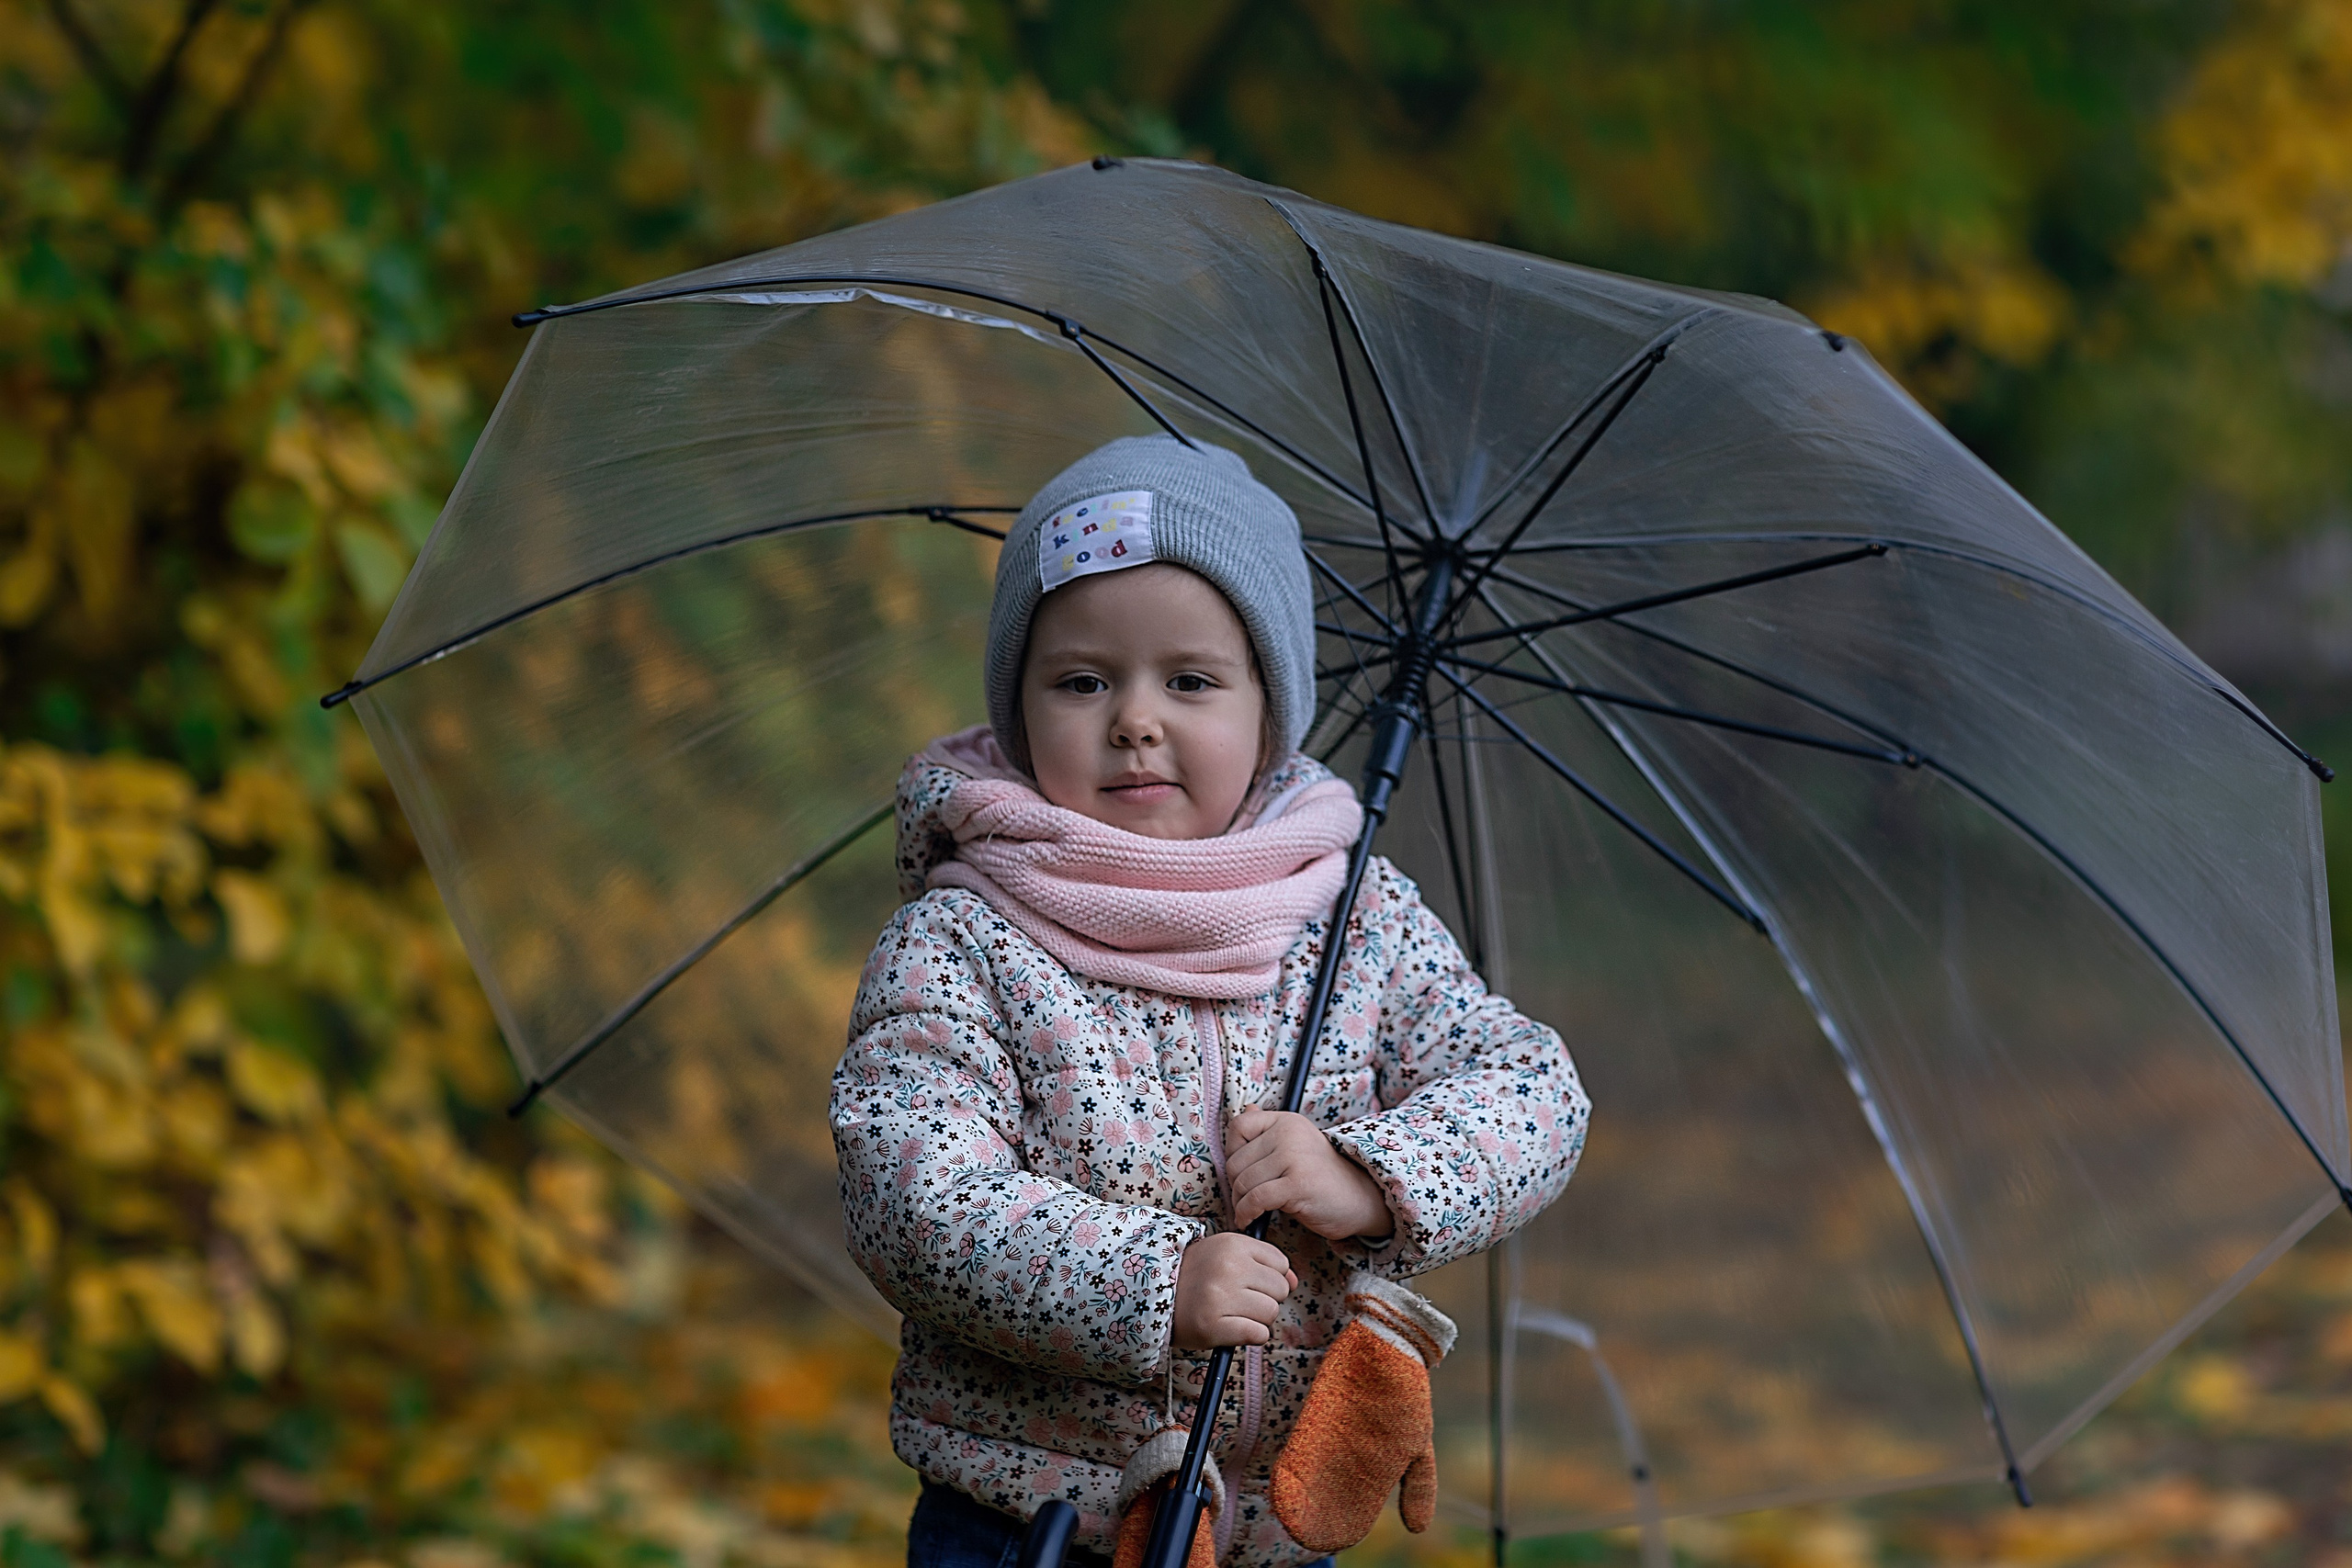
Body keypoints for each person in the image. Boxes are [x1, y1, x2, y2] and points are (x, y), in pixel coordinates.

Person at [831, 435, 1589, 1568]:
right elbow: (911, 1195)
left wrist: (1371, 1178)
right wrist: (1154, 1281)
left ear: (1267, 711)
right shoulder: (966, 936)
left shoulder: (1349, 913)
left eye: (1189, 681)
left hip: (1277, 1528)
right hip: (1028, 1523)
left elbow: (1533, 1090)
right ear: (1020, 706)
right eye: (1082, 681)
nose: (1135, 719)